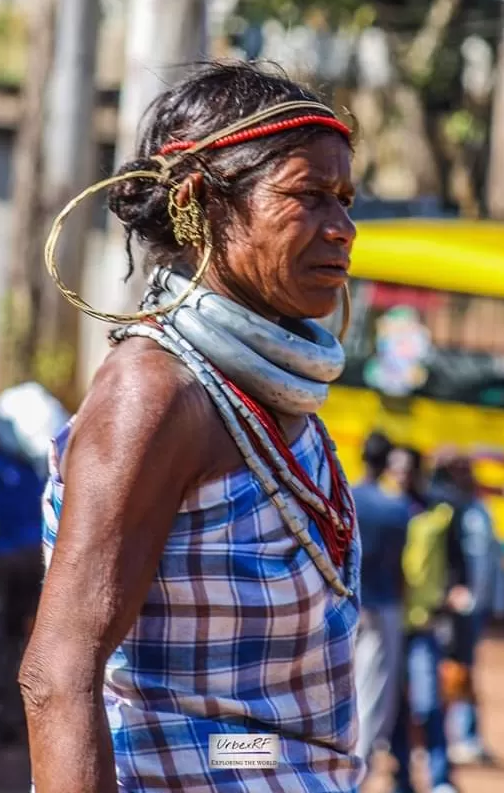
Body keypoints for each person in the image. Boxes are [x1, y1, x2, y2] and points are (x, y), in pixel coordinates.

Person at [20, 64, 362, 792]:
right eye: (308, 195)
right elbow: (57, 675)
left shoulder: (261, 397)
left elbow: (250, 737)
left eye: (345, 199)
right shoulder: (153, 394)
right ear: (198, 205)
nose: (343, 228)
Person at [0, 387, 54, 741]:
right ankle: (21, 713)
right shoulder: (35, 472)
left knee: (1, 635)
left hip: (5, 559)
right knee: (25, 635)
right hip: (35, 559)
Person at [386, 447, 469, 793]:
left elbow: (457, 560)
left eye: (407, 469)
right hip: (388, 624)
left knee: (428, 703)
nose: (401, 476)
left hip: (425, 622)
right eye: (395, 469)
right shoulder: (381, 510)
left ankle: (440, 777)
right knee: (394, 707)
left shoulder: (441, 512)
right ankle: (402, 776)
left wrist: (456, 589)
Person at [430, 452, 502, 766]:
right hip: (451, 604)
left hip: (474, 605)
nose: (463, 475)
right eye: (455, 470)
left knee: (463, 670)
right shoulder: (442, 508)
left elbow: (492, 562)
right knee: (448, 670)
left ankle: (465, 736)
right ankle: (442, 737)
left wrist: (494, 601)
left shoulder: (478, 509)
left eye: (466, 469)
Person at [353, 431, 410, 774]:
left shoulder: (343, 495)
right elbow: (399, 564)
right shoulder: (395, 507)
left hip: (344, 605)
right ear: (389, 462)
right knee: (372, 692)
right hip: (382, 604)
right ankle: (358, 768)